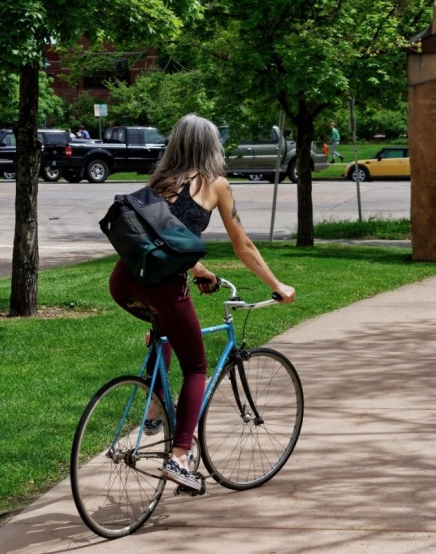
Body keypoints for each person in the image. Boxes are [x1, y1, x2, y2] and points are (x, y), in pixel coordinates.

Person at [108, 113, 296, 491]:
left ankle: (156, 411)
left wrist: (201, 272)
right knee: (196, 366)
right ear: (212, 147)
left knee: (162, 333)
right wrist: (277, 284)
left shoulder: (159, 182)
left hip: (124, 281)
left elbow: (163, 243)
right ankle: (179, 458)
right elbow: (243, 245)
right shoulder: (216, 185)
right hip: (163, 285)